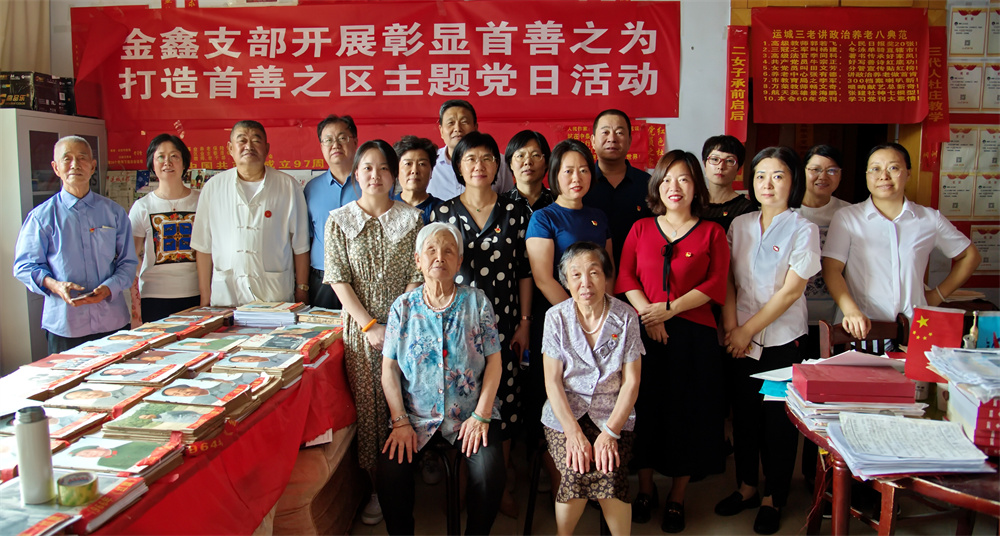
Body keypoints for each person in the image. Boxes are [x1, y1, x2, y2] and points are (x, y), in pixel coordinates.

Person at [616, 150, 730, 532]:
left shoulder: (712, 231)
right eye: (666, 179)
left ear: (696, 185)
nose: (674, 187)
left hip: (694, 336)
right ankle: (646, 489)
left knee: (687, 415)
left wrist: (670, 309)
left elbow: (717, 283)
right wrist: (649, 314)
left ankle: (678, 496)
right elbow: (625, 277)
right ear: (657, 186)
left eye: (683, 179)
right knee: (645, 410)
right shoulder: (640, 228)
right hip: (644, 334)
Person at [717, 146, 820, 535]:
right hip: (739, 341)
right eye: (761, 175)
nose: (768, 184)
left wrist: (747, 330)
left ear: (793, 182)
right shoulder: (740, 224)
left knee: (777, 423)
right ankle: (746, 486)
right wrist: (732, 326)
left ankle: (773, 497)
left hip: (782, 342)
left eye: (778, 176)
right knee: (744, 418)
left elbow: (791, 291)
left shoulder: (803, 228)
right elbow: (728, 279)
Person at [377, 222, 505, 535]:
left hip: (470, 417)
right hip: (415, 419)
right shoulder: (402, 307)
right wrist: (400, 421)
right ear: (418, 260)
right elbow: (389, 370)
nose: (439, 257)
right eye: (431, 250)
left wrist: (481, 415)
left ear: (459, 262)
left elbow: (495, 363)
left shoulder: (477, 302)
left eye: (448, 251)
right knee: (390, 473)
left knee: (489, 473)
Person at [429, 131, 532, 517]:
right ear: (458, 166)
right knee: (460, 403)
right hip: (455, 327)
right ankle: (460, 486)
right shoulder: (442, 213)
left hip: (504, 323)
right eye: (470, 159)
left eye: (488, 158)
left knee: (503, 403)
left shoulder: (515, 211)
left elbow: (524, 271)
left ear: (497, 166)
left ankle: (497, 487)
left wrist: (524, 322)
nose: (479, 166)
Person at [324, 139, 424, 525]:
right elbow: (338, 278)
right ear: (356, 174)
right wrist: (370, 326)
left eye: (384, 168)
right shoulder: (339, 220)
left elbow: (417, 275)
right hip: (361, 331)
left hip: (407, 327)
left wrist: (395, 325)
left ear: (394, 176)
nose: (375, 175)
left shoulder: (412, 219)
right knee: (369, 411)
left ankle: (406, 477)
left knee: (407, 403)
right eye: (367, 167)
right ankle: (376, 489)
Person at [823, 142, 981, 339]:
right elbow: (831, 269)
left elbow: (969, 256)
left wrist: (937, 296)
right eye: (875, 169)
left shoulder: (929, 219)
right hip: (862, 329)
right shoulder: (848, 218)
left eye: (893, 168)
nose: (883, 176)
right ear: (867, 175)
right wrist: (851, 311)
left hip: (915, 328)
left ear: (908, 173)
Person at [526, 138, 612, 493]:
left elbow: (608, 273)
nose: (576, 178)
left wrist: (602, 319)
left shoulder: (599, 215)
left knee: (593, 394)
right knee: (554, 394)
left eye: (583, 170)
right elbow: (543, 278)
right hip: (559, 322)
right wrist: (579, 320)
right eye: (568, 171)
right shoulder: (543, 217)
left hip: (600, 323)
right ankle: (560, 480)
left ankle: (590, 477)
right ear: (554, 175)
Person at [541, 241, 643, 536]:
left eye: (594, 272)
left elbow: (632, 381)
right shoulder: (556, 317)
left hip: (612, 414)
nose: (585, 283)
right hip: (565, 416)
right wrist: (573, 433)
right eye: (576, 275)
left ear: (606, 276)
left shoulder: (626, 316)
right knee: (576, 469)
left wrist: (611, 433)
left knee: (610, 472)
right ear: (566, 281)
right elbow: (552, 381)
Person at [13, 136, 139, 354]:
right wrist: (55, 285)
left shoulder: (114, 213)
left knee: (120, 375)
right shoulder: (41, 217)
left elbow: (128, 262)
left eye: (82, 158)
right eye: (67, 159)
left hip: (112, 321)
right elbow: (24, 266)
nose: (75, 165)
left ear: (93, 166)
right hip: (66, 325)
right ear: (56, 168)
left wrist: (109, 288)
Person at [190, 120, 309, 307]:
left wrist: (302, 289)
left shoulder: (288, 186)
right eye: (242, 140)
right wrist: (205, 296)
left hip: (274, 295)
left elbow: (300, 246)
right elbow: (203, 247)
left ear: (267, 148)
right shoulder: (213, 187)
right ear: (230, 148)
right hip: (226, 295)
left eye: (256, 140)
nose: (249, 146)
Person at [794, 144, 852, 488]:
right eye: (815, 169)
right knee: (792, 399)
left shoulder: (849, 214)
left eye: (831, 170)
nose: (822, 176)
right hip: (792, 322)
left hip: (834, 322)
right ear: (803, 172)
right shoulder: (789, 210)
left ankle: (815, 476)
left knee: (825, 404)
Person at [129, 134, 200, 322]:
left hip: (196, 292)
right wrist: (143, 277)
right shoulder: (142, 207)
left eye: (174, 156)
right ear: (152, 164)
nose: (167, 162)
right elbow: (131, 253)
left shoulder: (201, 201)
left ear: (184, 163)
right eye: (160, 156)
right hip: (154, 296)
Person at [582, 109, 653, 267]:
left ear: (629, 140)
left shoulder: (648, 184)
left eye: (619, 133)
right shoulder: (581, 183)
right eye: (605, 132)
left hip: (638, 273)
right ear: (593, 140)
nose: (612, 139)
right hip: (591, 275)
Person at [304, 115, 360, 309]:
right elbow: (306, 240)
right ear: (321, 147)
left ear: (355, 142)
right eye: (328, 140)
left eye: (342, 138)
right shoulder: (311, 189)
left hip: (361, 278)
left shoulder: (372, 185)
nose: (335, 145)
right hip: (322, 279)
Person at [427, 99, 514, 200]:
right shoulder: (429, 163)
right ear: (441, 131)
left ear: (475, 127)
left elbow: (509, 202)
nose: (457, 128)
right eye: (451, 123)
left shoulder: (499, 162)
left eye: (464, 122)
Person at [701, 135, 756, 232]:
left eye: (729, 161)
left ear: (738, 169)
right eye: (715, 159)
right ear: (704, 164)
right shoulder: (692, 202)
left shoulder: (746, 208)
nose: (721, 166)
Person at [501, 130, 555, 214]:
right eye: (520, 156)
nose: (528, 162)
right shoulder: (499, 205)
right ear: (510, 163)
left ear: (546, 163)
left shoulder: (559, 203)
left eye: (535, 155)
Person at [392, 135, 442, 223]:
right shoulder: (385, 209)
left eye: (422, 164)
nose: (414, 171)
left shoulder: (444, 211)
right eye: (408, 164)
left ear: (431, 171)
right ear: (397, 171)